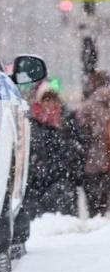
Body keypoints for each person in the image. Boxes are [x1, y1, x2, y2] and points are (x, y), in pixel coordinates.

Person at [24, 87, 84, 218]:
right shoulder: (30, 124)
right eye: (46, 99)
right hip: (36, 185)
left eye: (53, 99)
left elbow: (75, 149)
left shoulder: (68, 121)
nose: (50, 103)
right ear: (40, 102)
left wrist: (74, 174)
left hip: (62, 183)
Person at [77, 85, 110, 217]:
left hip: (93, 161)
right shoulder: (94, 108)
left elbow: (80, 130)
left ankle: (96, 216)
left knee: (94, 199)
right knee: (102, 198)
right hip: (101, 160)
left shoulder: (88, 107)